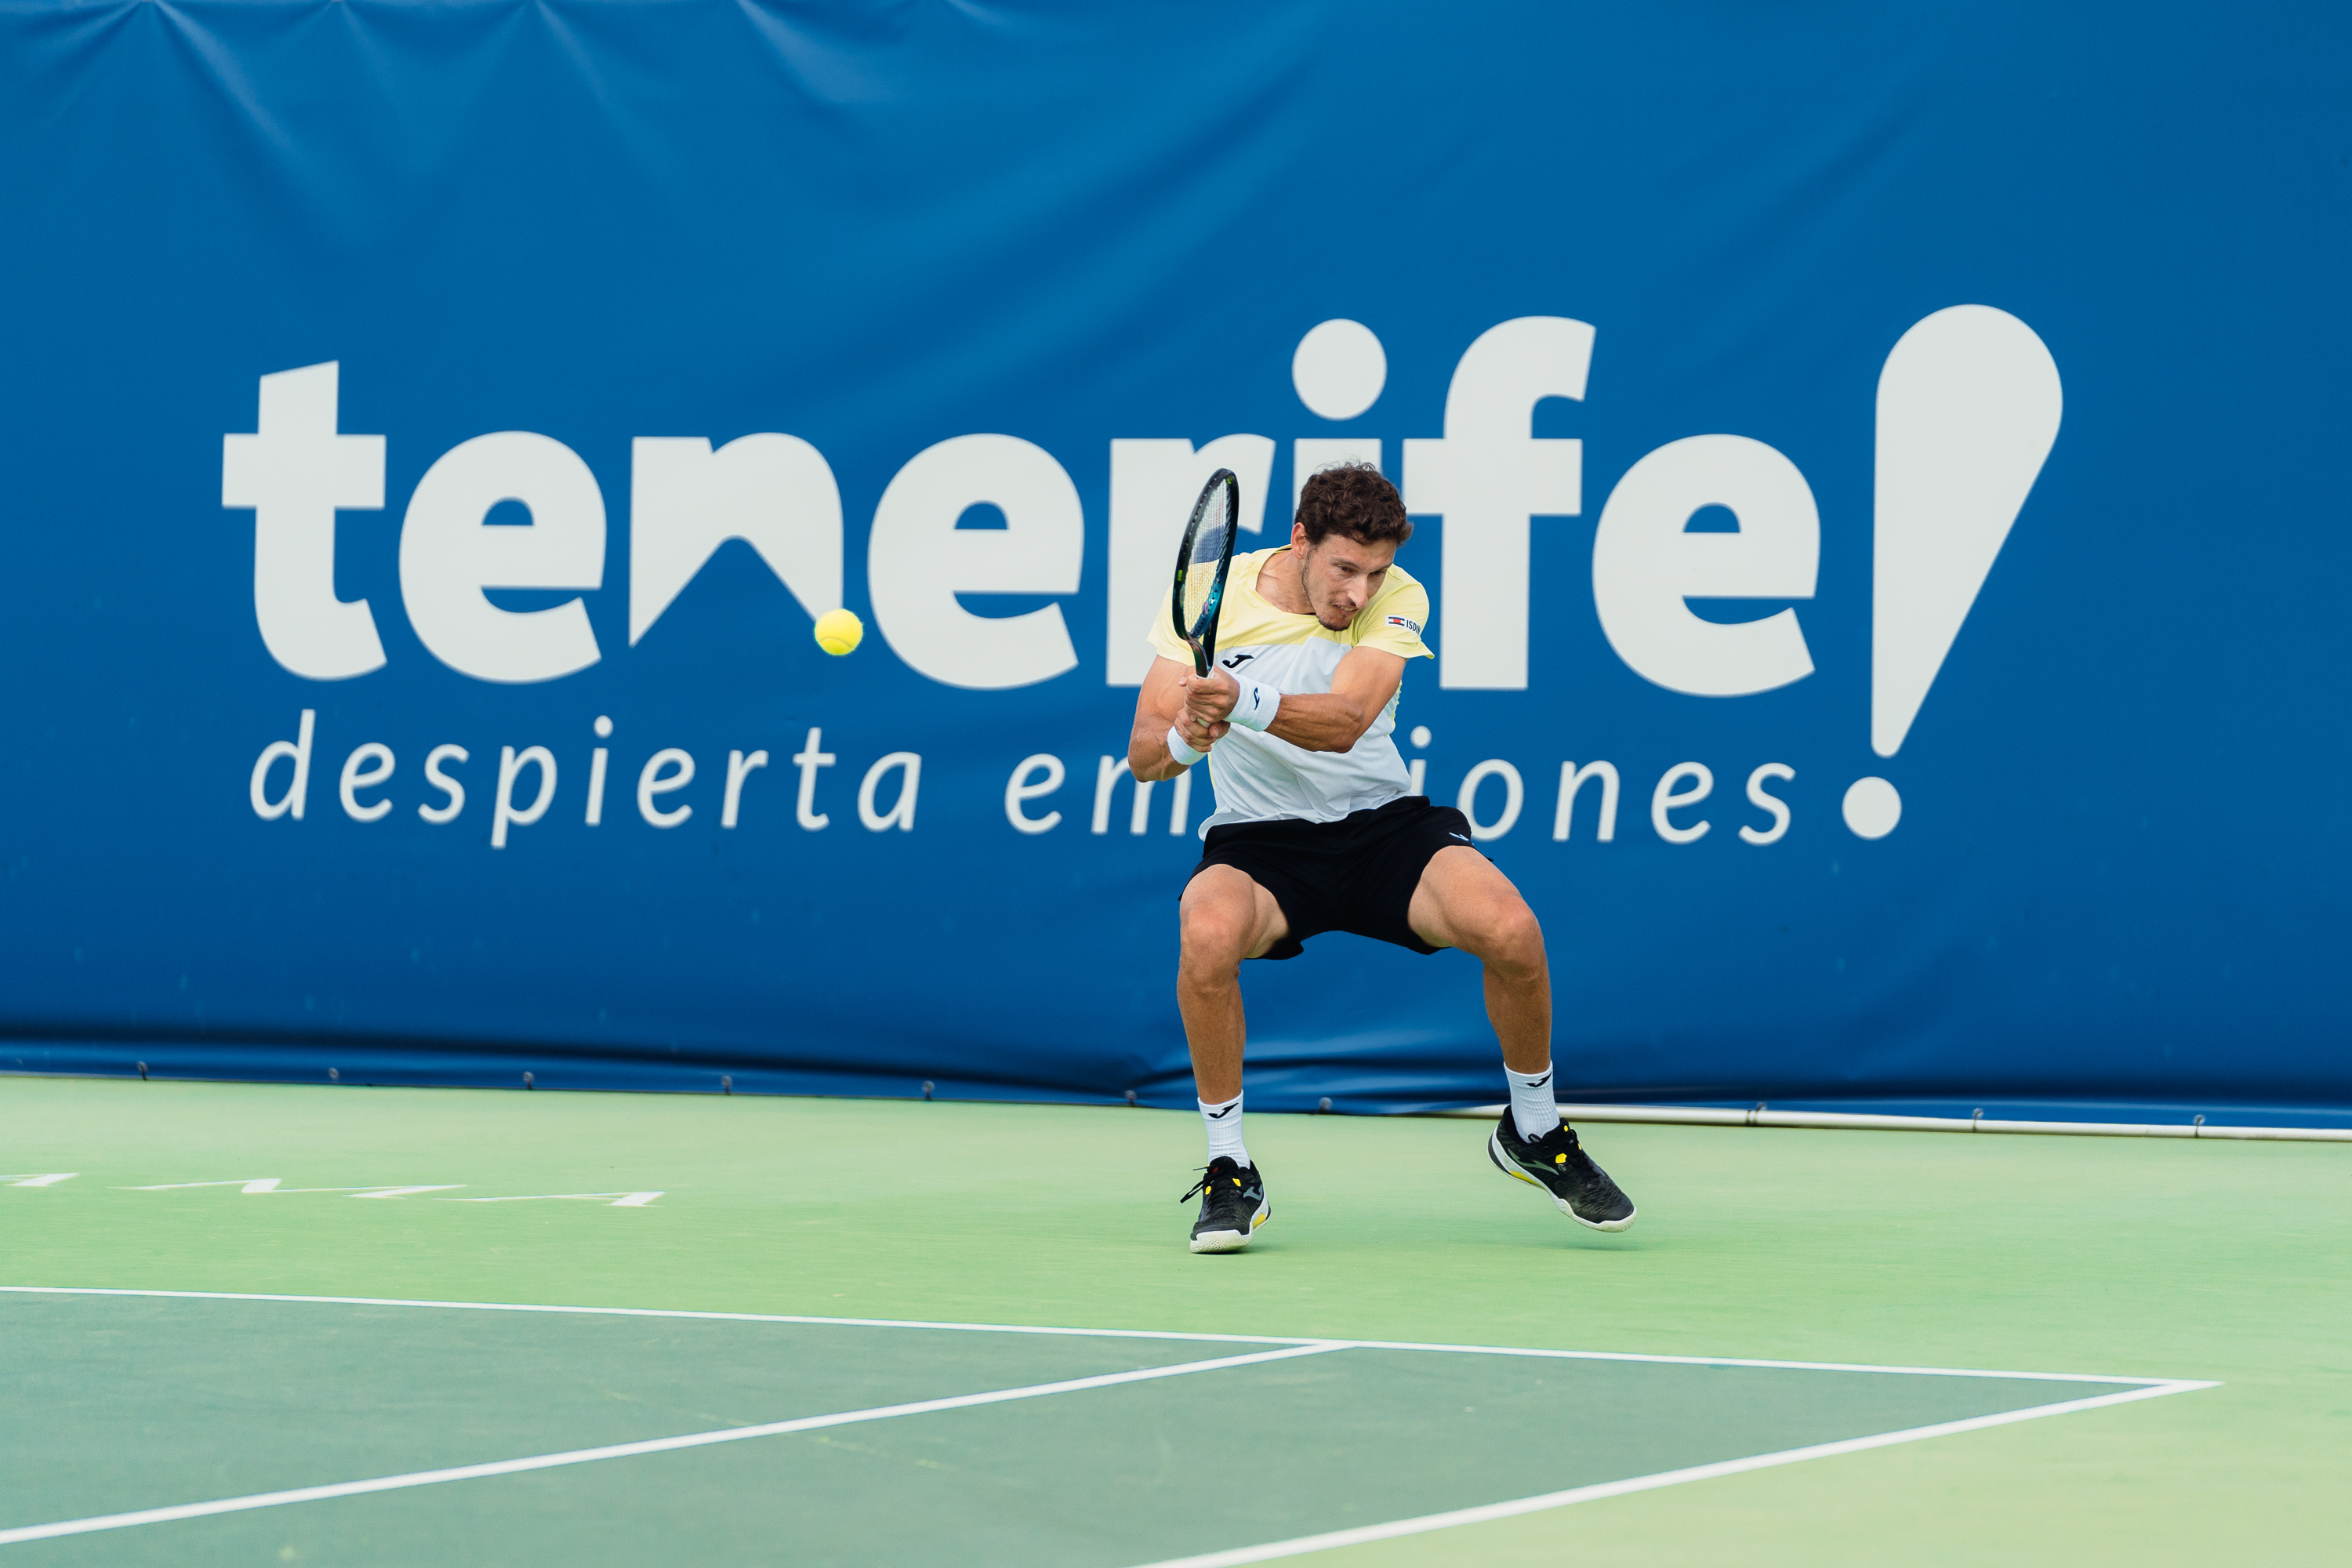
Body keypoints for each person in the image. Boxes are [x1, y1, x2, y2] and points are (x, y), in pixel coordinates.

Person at [1127, 463, 1636, 1253]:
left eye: (1374, 572)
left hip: (1383, 830)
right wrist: (1184, 740)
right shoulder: (1208, 594)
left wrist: (1242, 700)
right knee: (1205, 933)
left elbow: (1346, 720)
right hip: (1261, 839)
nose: (1359, 591)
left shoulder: (1397, 597)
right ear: (1300, 541)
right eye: (1343, 569)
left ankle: (1533, 1128)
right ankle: (1229, 1163)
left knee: (1512, 927)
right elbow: (1142, 756)